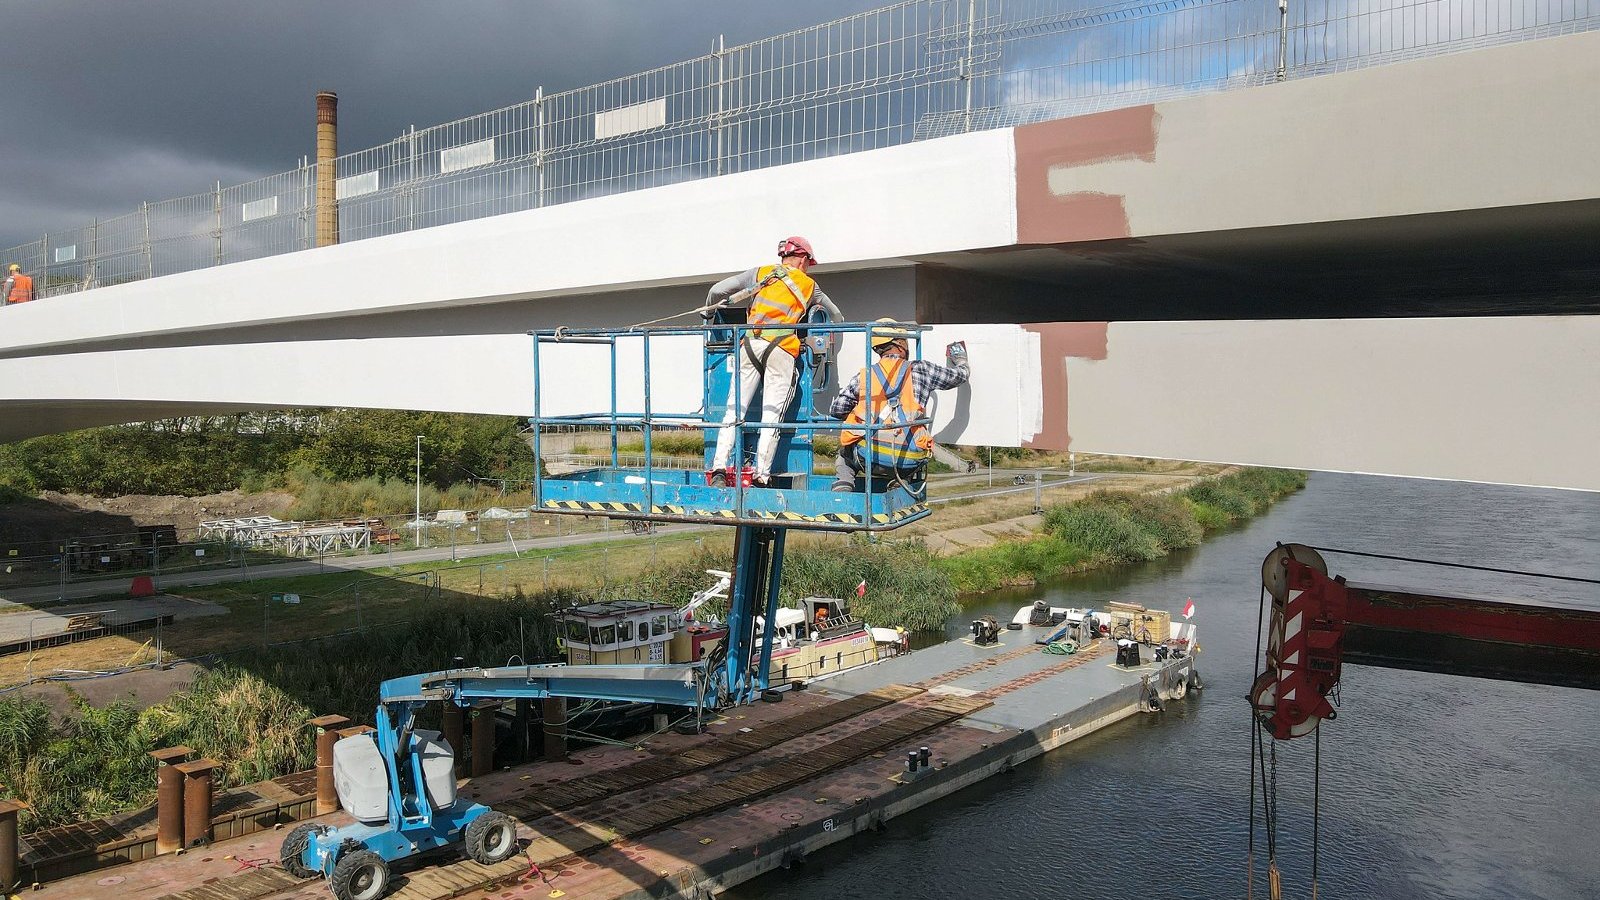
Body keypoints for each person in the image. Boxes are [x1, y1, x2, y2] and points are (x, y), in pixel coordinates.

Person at [704, 236, 842, 487]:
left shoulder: (760, 273)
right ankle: (761, 475)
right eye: (809, 263)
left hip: (751, 344)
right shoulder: (810, 285)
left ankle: (718, 470)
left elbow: (716, 291)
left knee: (734, 410)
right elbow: (834, 312)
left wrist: (709, 313)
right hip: (782, 348)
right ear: (803, 259)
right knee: (772, 416)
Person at [831, 318, 970, 492]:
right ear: (900, 343)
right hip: (909, 460)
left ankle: (844, 485)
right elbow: (959, 376)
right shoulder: (921, 369)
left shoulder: (865, 376)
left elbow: (837, 409)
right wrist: (962, 361)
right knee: (917, 446)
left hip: (867, 457)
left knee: (845, 454)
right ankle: (902, 480)